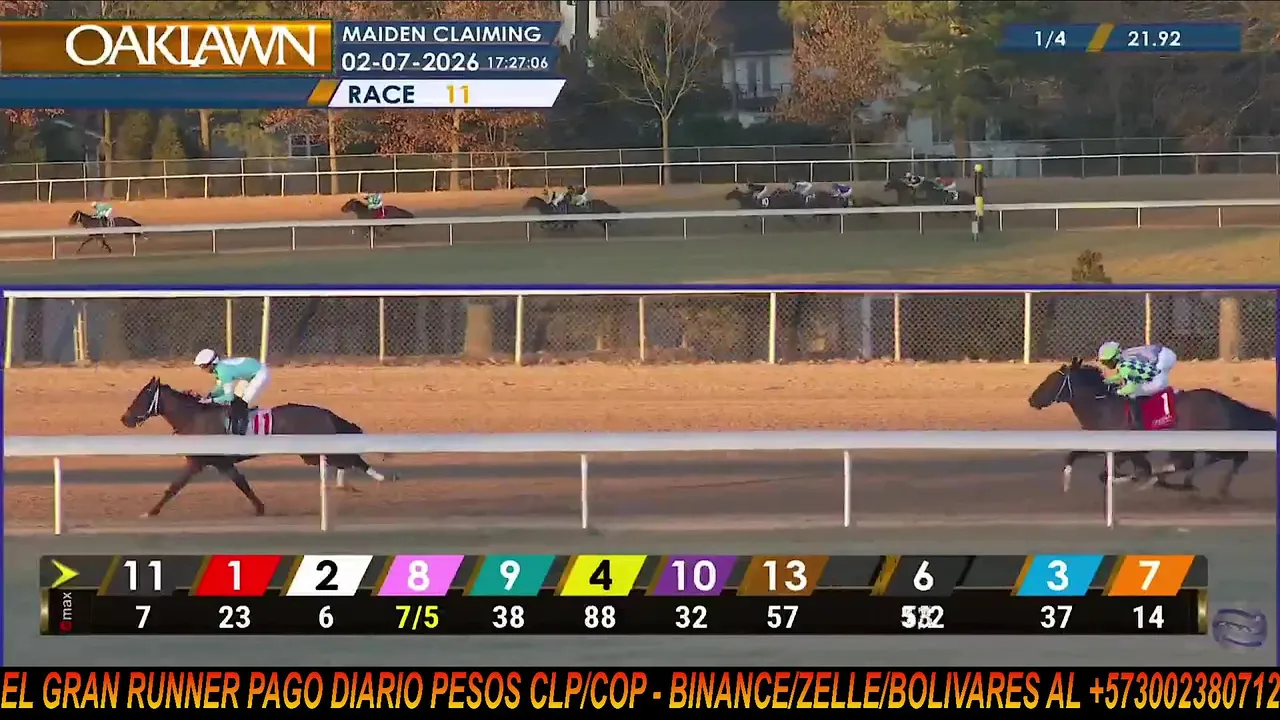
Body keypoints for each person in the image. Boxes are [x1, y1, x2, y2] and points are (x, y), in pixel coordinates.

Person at [194, 349, 271, 435]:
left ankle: (243, 432)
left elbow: (229, 397)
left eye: (203, 366)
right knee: (236, 401)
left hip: (260, 374)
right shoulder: (219, 369)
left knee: (241, 403)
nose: (202, 369)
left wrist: (211, 400)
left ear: (211, 364)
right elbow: (220, 389)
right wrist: (210, 395)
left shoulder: (223, 371)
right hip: (250, 375)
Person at [1097, 341, 1178, 422]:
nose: (1106, 365)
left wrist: (1117, 392)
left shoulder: (1125, 367)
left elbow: (1131, 388)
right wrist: (1108, 380)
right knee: (1140, 385)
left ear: (1115, 357)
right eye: (1103, 362)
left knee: (1136, 393)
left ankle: (1168, 404)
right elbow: (1122, 375)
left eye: (1107, 362)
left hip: (1164, 358)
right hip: (1161, 354)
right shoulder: (1123, 361)